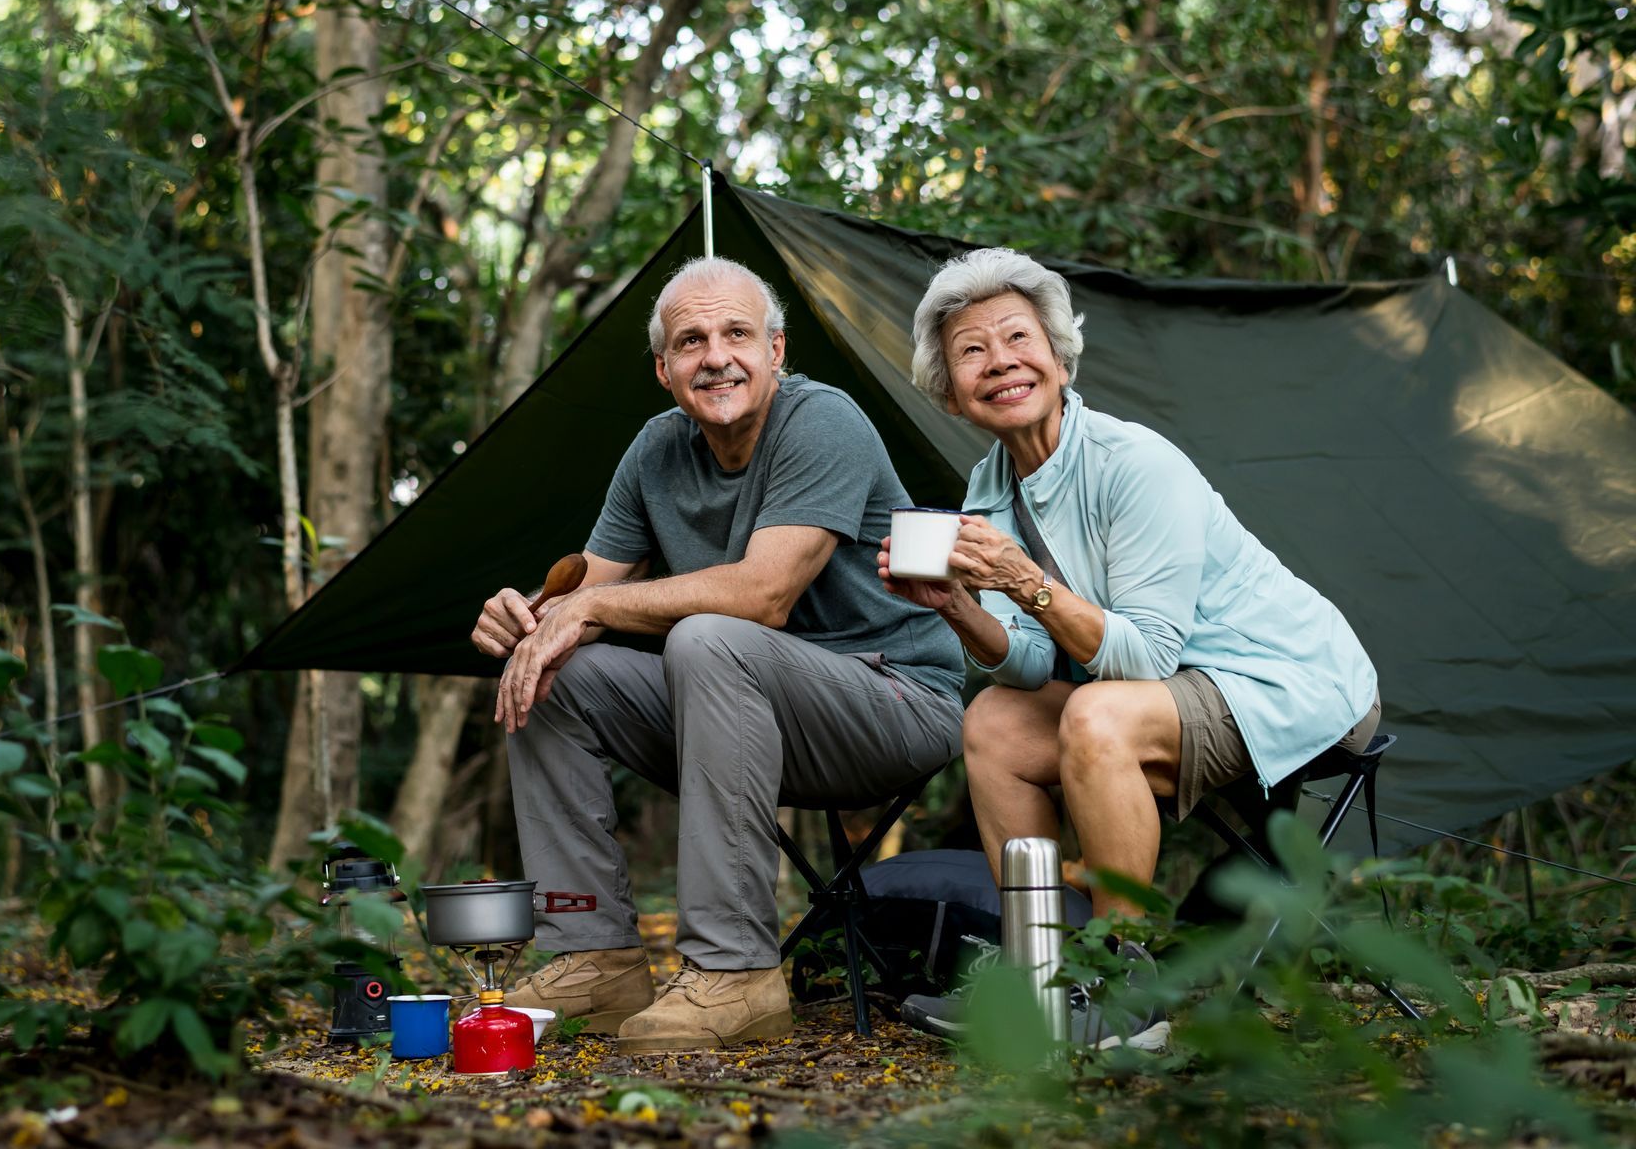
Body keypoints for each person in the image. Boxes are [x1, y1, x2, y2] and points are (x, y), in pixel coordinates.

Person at [472, 256, 964, 1055]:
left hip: (893, 703)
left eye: (737, 333)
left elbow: (764, 595)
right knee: (556, 671)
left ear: (776, 350)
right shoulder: (656, 451)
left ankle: (736, 972)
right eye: (691, 340)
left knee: (709, 633)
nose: (716, 355)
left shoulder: (822, 420)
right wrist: (529, 619)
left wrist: (590, 608)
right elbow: (584, 594)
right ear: (665, 370)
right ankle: (594, 957)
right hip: (740, 708)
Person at [882, 246, 1380, 929]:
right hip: (1172, 695)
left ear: (1060, 359)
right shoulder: (988, 491)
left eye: (1019, 337)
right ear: (950, 392)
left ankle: (1116, 982)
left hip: (1288, 679)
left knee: (1099, 714)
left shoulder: (1134, 464)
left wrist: (1026, 582)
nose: (999, 361)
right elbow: (1027, 662)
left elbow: (1145, 659)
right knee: (994, 722)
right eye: (971, 351)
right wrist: (961, 608)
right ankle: (1044, 962)